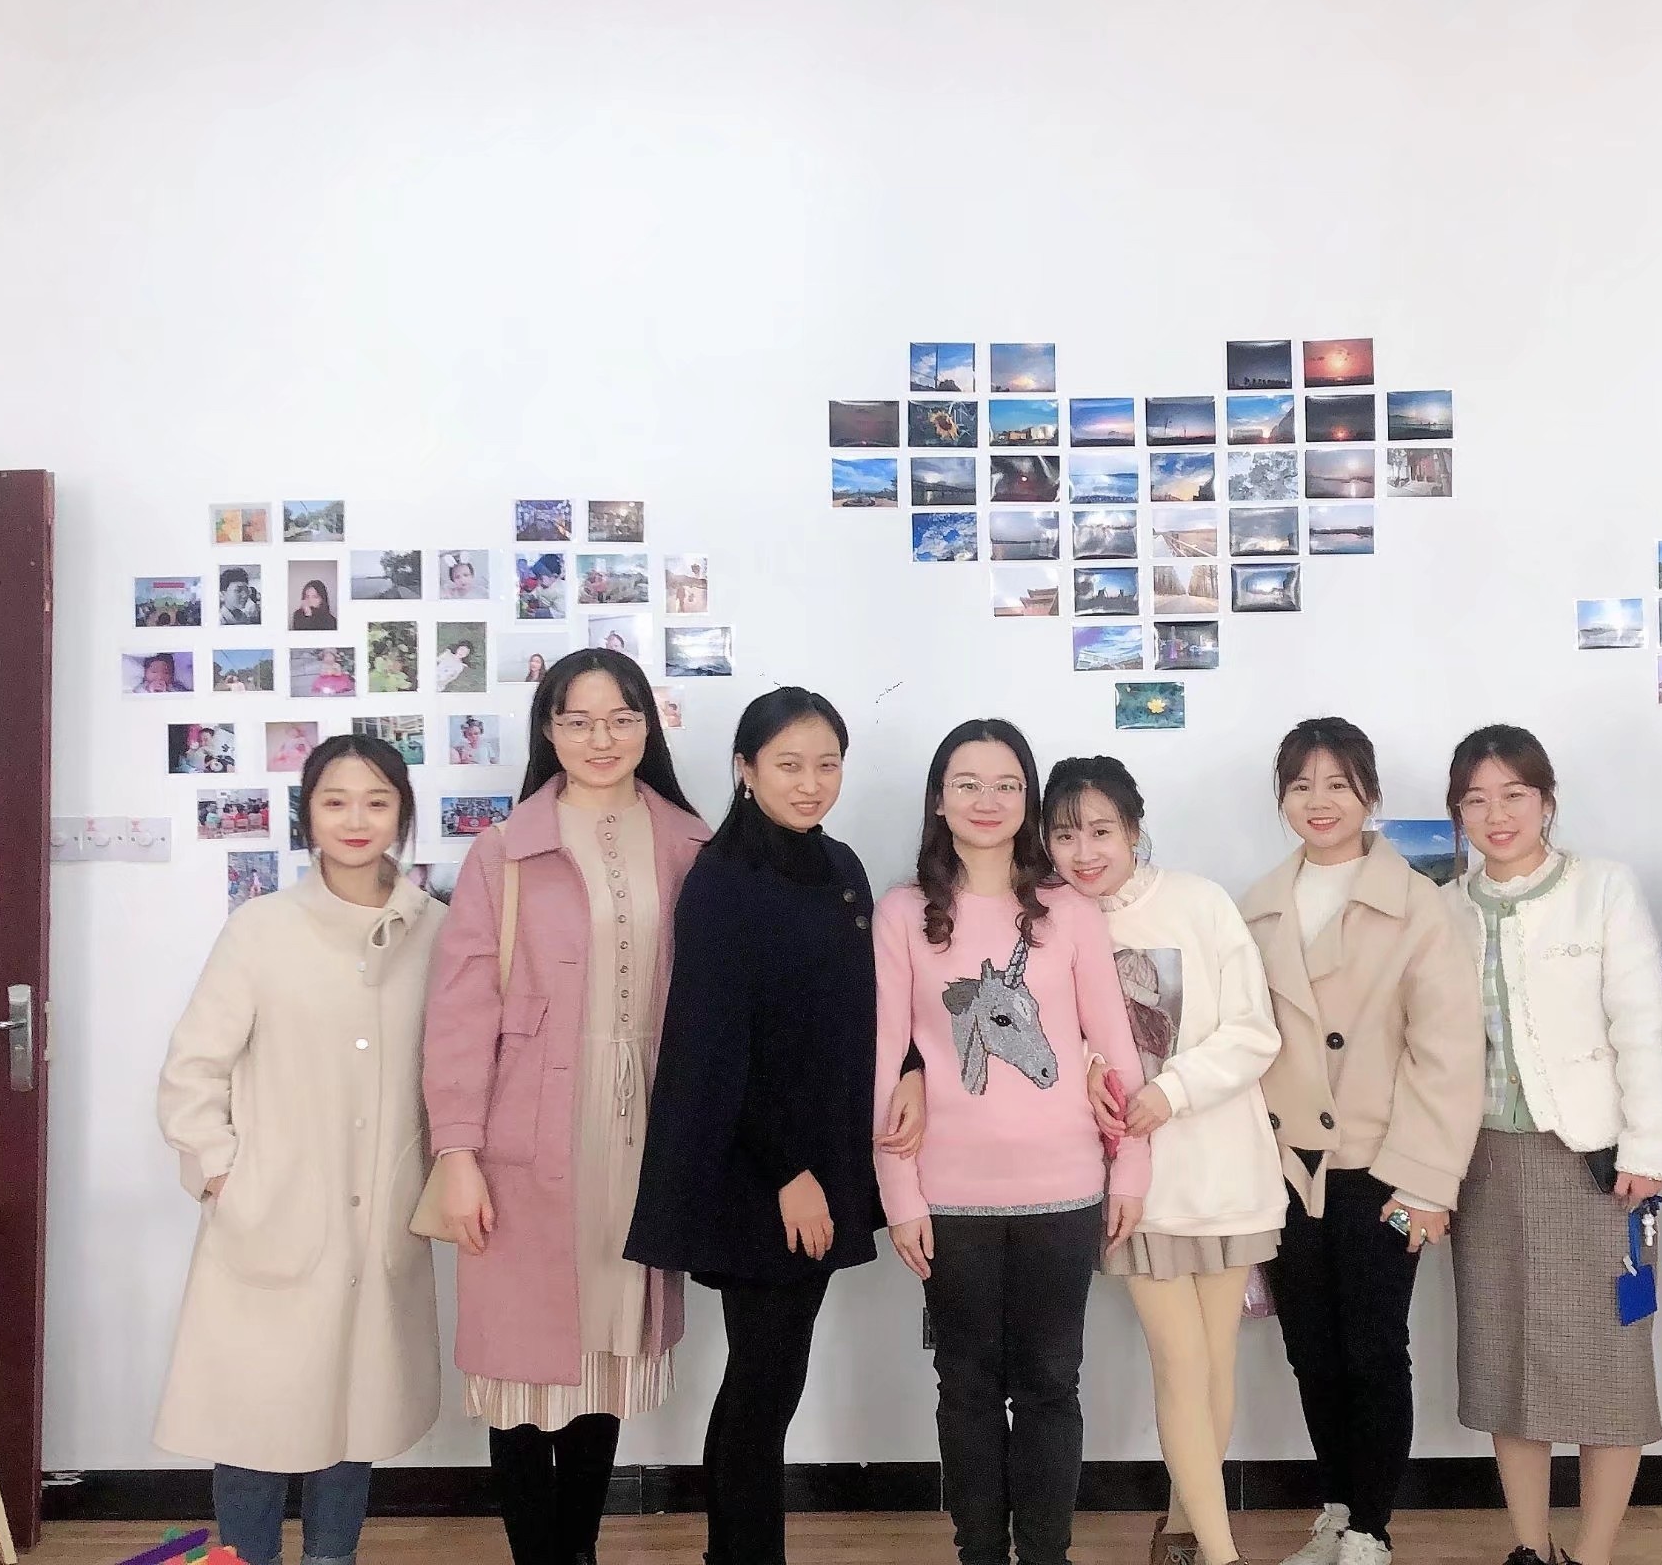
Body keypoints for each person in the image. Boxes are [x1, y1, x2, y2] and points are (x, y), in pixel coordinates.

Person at [422, 648, 709, 1565]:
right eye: (578, 721)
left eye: (621, 718)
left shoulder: (692, 845)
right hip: (527, 1135)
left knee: (603, 1357)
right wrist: (456, 1151)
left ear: (649, 727)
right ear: (548, 730)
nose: (601, 738)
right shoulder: (503, 851)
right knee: (520, 1366)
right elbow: (461, 1012)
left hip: (643, 1130)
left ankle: (576, 1551)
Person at [627, 688, 903, 1565]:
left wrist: (911, 1071)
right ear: (745, 769)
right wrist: (789, 1171)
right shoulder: (720, 880)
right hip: (760, 1171)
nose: (811, 782)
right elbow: (716, 1044)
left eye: (827, 764)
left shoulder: (841, 865)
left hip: (827, 1157)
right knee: (762, 1382)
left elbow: (867, 1008)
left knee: (773, 1378)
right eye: (788, 764)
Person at [154, 735, 443, 1565]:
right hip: (272, 1212)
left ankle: (331, 1558)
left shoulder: (438, 932)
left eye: (377, 802)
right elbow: (192, 1070)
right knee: (254, 1419)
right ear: (307, 814)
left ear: (402, 814)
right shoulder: (262, 929)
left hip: (380, 1216)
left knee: (354, 1415)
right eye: (335, 800)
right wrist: (224, 1176)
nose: (356, 819)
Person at [873, 720, 1149, 1565]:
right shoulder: (903, 913)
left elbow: (1117, 1048)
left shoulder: (1070, 911)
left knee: (1050, 1386)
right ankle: (980, 1556)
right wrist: (899, 1193)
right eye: (968, 784)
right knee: (964, 1387)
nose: (987, 801)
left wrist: (1130, 1171)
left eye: (1006, 784)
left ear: (1027, 797)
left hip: (1065, 1191)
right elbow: (885, 1060)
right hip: (950, 1197)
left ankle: (1047, 1556)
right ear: (938, 798)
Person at [1240, 717, 1481, 1565]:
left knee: (1375, 1349)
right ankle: (1338, 1509)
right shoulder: (1257, 905)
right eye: (1301, 785)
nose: (1320, 801)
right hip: (1287, 1168)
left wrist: (1426, 1184)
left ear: (1369, 795)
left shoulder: (1418, 904)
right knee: (1311, 1351)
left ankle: (1372, 1531)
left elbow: (1447, 1054)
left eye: (1338, 784)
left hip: (1383, 1168)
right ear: (1282, 799)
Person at [1441, 726, 1662, 1565]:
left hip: (1595, 1162)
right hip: (1485, 1164)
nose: (1496, 814)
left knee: (1609, 1359)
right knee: (1506, 1359)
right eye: (1476, 799)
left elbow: (1642, 1025)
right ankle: (1530, 1548)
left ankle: (1595, 1552)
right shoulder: (1446, 907)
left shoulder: (1602, 887)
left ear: (1546, 801)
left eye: (1514, 794)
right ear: (1458, 813)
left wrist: (1649, 1147)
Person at [1045, 756, 1282, 1565]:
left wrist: (1169, 1091)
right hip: (1133, 1188)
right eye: (1065, 835)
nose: (1084, 852)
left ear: (1134, 831)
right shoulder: (1047, 919)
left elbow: (1253, 1031)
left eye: (1101, 831)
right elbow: (1048, 1039)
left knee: (1215, 1365)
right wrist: (1090, 1075)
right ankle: (1222, 1554)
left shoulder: (1199, 901)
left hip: (1224, 1170)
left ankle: (1183, 1527)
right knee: (1180, 1364)